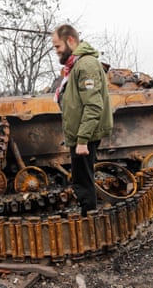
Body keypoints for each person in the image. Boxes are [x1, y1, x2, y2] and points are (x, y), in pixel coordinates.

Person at [51, 24, 113, 216]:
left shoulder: (85, 65)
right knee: (82, 178)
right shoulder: (76, 66)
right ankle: (89, 216)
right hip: (80, 134)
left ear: (70, 41)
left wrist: (83, 140)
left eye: (57, 46)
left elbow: (93, 105)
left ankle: (89, 220)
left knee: (83, 181)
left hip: (83, 136)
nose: (56, 52)